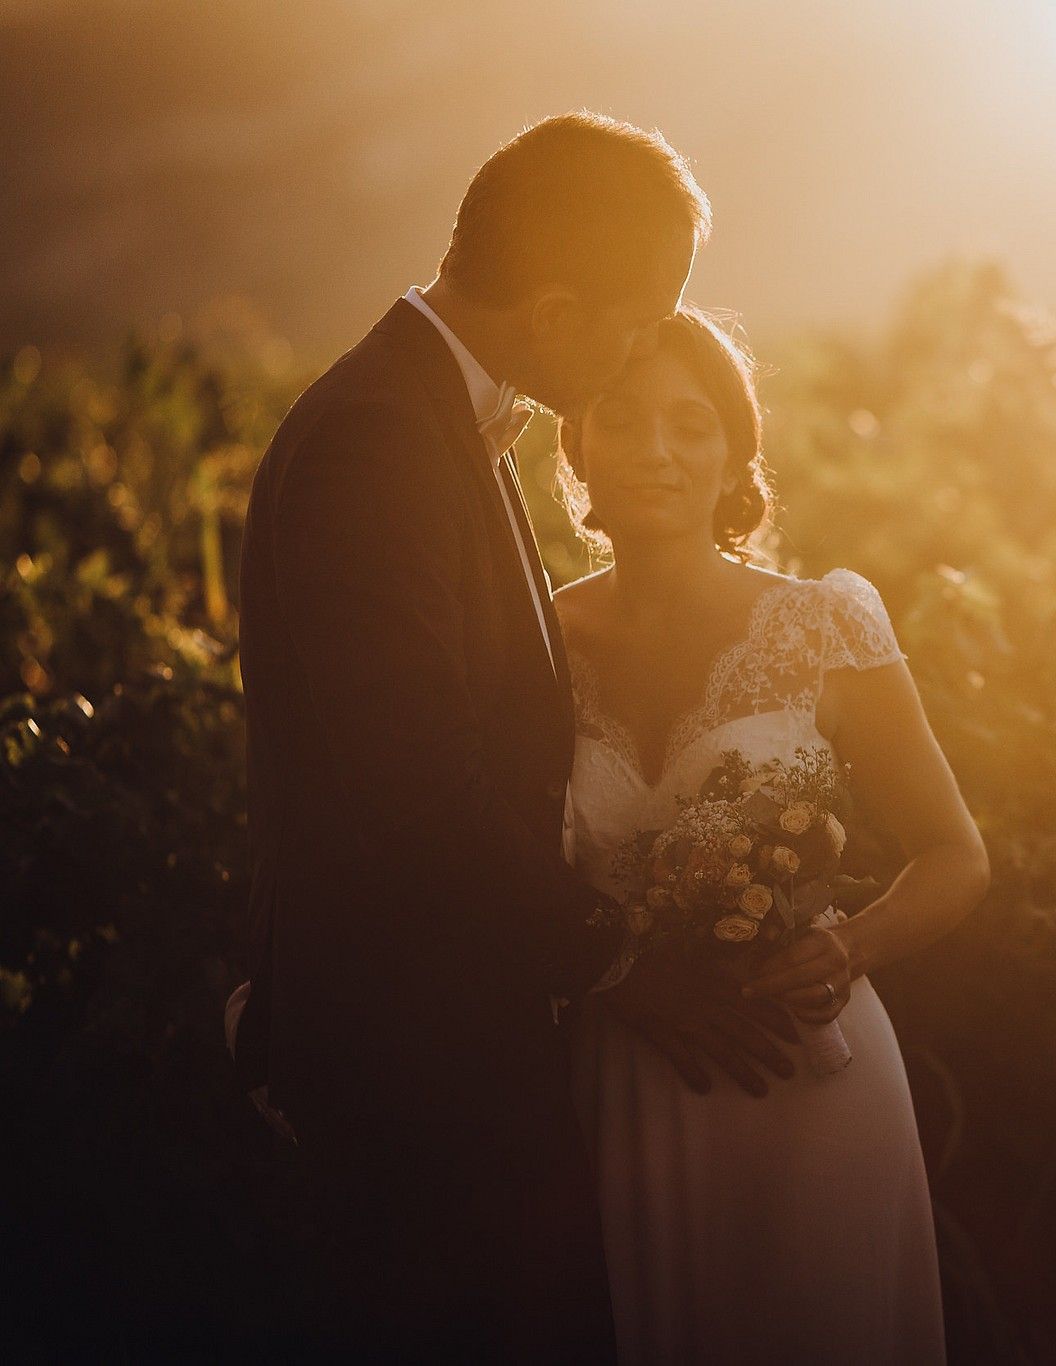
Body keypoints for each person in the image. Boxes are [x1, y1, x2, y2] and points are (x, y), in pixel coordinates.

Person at [234, 112, 793, 1360]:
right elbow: (411, 785)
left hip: (446, 1034)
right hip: (414, 1060)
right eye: (639, 312)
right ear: (552, 308)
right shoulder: (381, 444)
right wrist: (620, 961)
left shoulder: (434, 417)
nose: (647, 344)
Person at [552, 306, 988, 1364]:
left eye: (691, 425)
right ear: (578, 451)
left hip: (807, 1084)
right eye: (622, 419)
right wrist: (612, 972)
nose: (657, 450)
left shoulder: (825, 625)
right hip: (622, 1081)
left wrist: (845, 947)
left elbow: (955, 854)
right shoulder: (532, 637)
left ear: (733, 455)